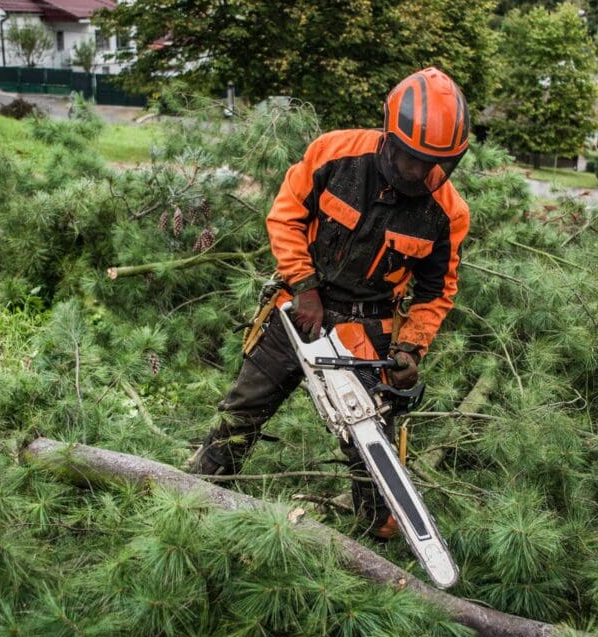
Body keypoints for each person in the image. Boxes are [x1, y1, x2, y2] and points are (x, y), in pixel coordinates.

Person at [187, 67, 471, 539]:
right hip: (302, 311)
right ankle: (200, 492)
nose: (421, 172)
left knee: (369, 444)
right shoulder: (335, 155)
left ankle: (376, 530)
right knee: (245, 408)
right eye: (412, 159)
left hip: (368, 328)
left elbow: (437, 291)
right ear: (390, 137)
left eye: (434, 164)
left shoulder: (446, 211)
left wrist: (411, 349)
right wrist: (304, 285)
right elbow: (285, 215)